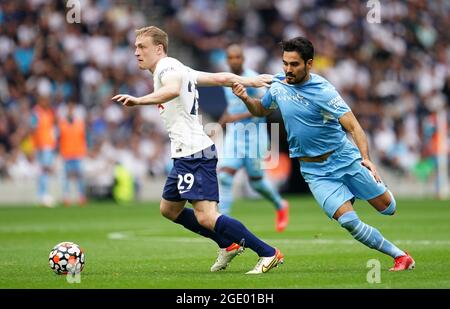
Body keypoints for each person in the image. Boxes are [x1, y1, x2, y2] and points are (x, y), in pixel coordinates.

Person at [232, 37, 415, 272]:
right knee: (349, 222)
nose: (288, 69)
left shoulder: (324, 91)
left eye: (294, 64)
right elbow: (261, 109)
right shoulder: (278, 85)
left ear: (309, 64)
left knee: (388, 208)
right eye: (285, 63)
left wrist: (366, 158)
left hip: (344, 158)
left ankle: (361, 190)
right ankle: (401, 256)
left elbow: (353, 126)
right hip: (314, 171)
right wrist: (246, 98)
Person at [112, 26, 283, 274]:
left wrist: (139, 100)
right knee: (169, 209)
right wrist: (249, 80)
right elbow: (220, 78)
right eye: (136, 47)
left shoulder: (166, 67)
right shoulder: (179, 68)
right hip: (185, 153)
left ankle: (267, 252)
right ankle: (228, 244)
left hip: (194, 153)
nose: (136, 52)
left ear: (158, 49)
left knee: (206, 216)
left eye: (142, 47)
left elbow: (170, 91)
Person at [217, 44, 289, 232]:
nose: (234, 61)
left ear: (243, 59)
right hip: (235, 136)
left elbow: (262, 108)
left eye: (237, 57)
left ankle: (280, 204)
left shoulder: (253, 80)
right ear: (227, 60)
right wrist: (221, 123)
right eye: (230, 58)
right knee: (224, 176)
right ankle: (223, 223)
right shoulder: (227, 80)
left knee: (256, 182)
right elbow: (231, 106)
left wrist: (234, 118)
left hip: (255, 137)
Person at [58, 100, 87, 206]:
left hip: (78, 153)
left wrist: (85, 151)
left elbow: (83, 138)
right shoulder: (62, 124)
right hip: (66, 153)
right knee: (66, 177)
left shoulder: (79, 123)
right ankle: (66, 197)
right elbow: (59, 139)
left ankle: (81, 196)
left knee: (80, 177)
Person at [30, 95, 57, 207]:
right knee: (43, 170)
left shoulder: (50, 112)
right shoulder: (36, 112)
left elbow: (52, 128)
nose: (45, 102)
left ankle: (43, 194)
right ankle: (43, 194)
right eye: (43, 100)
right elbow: (33, 128)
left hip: (48, 144)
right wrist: (33, 145)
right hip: (41, 145)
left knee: (44, 170)